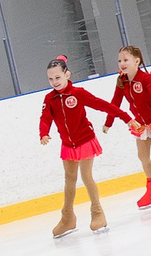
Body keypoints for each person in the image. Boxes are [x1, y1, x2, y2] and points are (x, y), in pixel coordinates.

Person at [38, 56, 112, 239]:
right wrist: (43, 133)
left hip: (85, 140)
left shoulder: (78, 93)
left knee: (86, 176)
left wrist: (124, 117)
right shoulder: (50, 98)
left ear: (67, 74)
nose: (54, 82)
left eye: (57, 77)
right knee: (69, 179)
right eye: (50, 79)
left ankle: (97, 212)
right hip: (68, 145)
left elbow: (100, 104)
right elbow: (45, 117)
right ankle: (68, 218)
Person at [104, 45, 151, 209]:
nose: (122, 63)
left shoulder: (146, 79)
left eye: (126, 60)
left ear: (136, 61)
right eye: (119, 60)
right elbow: (115, 103)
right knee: (143, 157)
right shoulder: (122, 81)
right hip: (140, 124)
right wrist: (108, 122)